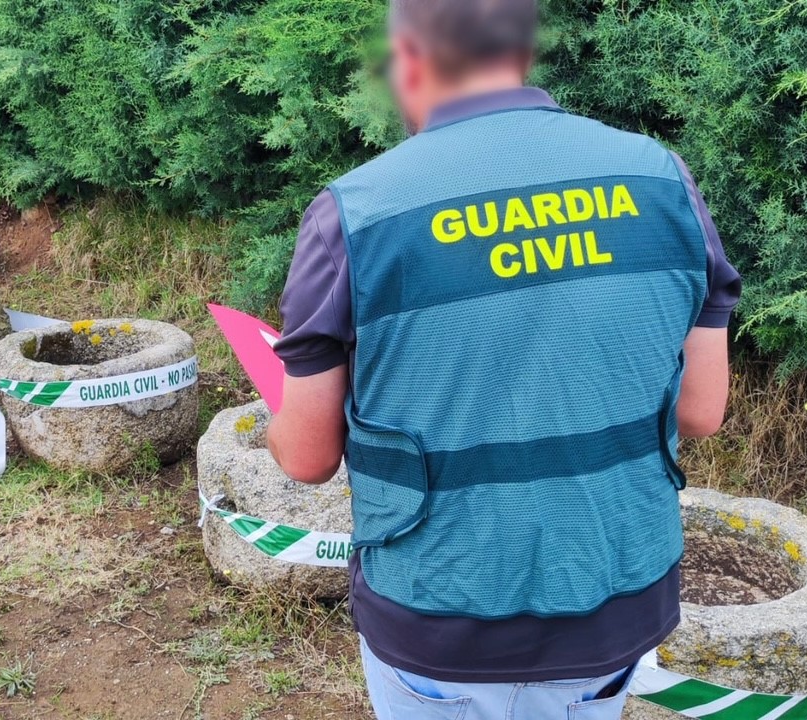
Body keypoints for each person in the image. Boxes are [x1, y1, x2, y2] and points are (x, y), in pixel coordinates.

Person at [264, 0, 742, 717]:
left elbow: (305, 457)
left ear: (410, 59)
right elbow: (702, 413)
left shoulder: (355, 212)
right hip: (617, 602)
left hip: (443, 615)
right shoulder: (663, 180)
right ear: (522, 51)